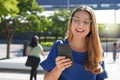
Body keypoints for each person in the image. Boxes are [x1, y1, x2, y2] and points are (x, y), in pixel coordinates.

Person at [40, 5, 108, 80]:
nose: (80, 25)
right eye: (76, 20)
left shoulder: (96, 50)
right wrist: (58, 68)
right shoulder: (59, 46)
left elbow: (101, 78)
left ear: (91, 27)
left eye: (86, 22)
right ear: (71, 22)